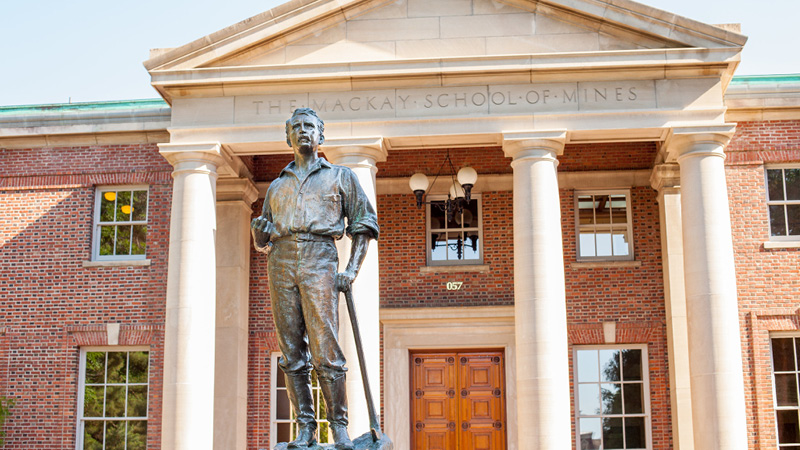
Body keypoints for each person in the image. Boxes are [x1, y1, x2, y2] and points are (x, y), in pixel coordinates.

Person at [251, 108, 379, 450]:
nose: (304, 131)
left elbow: (364, 224)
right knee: (291, 350)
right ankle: (305, 428)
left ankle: (339, 427)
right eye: (297, 127)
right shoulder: (277, 186)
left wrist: (351, 270)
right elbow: (263, 238)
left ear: (321, 135)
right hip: (280, 262)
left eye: (310, 126)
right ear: (288, 138)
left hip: (319, 257)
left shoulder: (341, 176)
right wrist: (259, 236)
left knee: (326, 347)